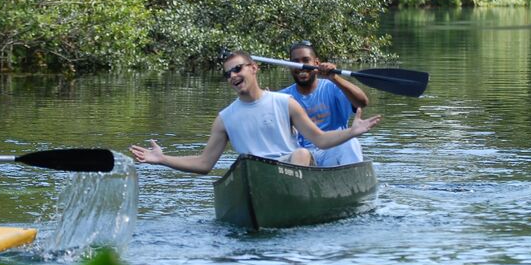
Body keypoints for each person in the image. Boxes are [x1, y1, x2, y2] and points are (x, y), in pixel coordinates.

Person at [130, 51, 382, 173]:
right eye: (228, 73)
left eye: (238, 69)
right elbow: (204, 164)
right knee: (244, 165)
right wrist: (163, 159)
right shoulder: (225, 118)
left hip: (292, 168)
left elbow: (320, 140)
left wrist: (352, 132)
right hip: (257, 172)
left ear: (254, 68)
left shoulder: (284, 102)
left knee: (303, 151)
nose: (233, 76)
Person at [278, 40, 369, 166]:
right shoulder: (280, 97)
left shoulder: (333, 87)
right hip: (302, 157)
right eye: (295, 62)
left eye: (305, 60)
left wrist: (335, 78)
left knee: (350, 141)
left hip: (332, 152)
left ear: (316, 63)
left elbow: (362, 102)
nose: (301, 66)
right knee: (299, 153)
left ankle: (354, 181)